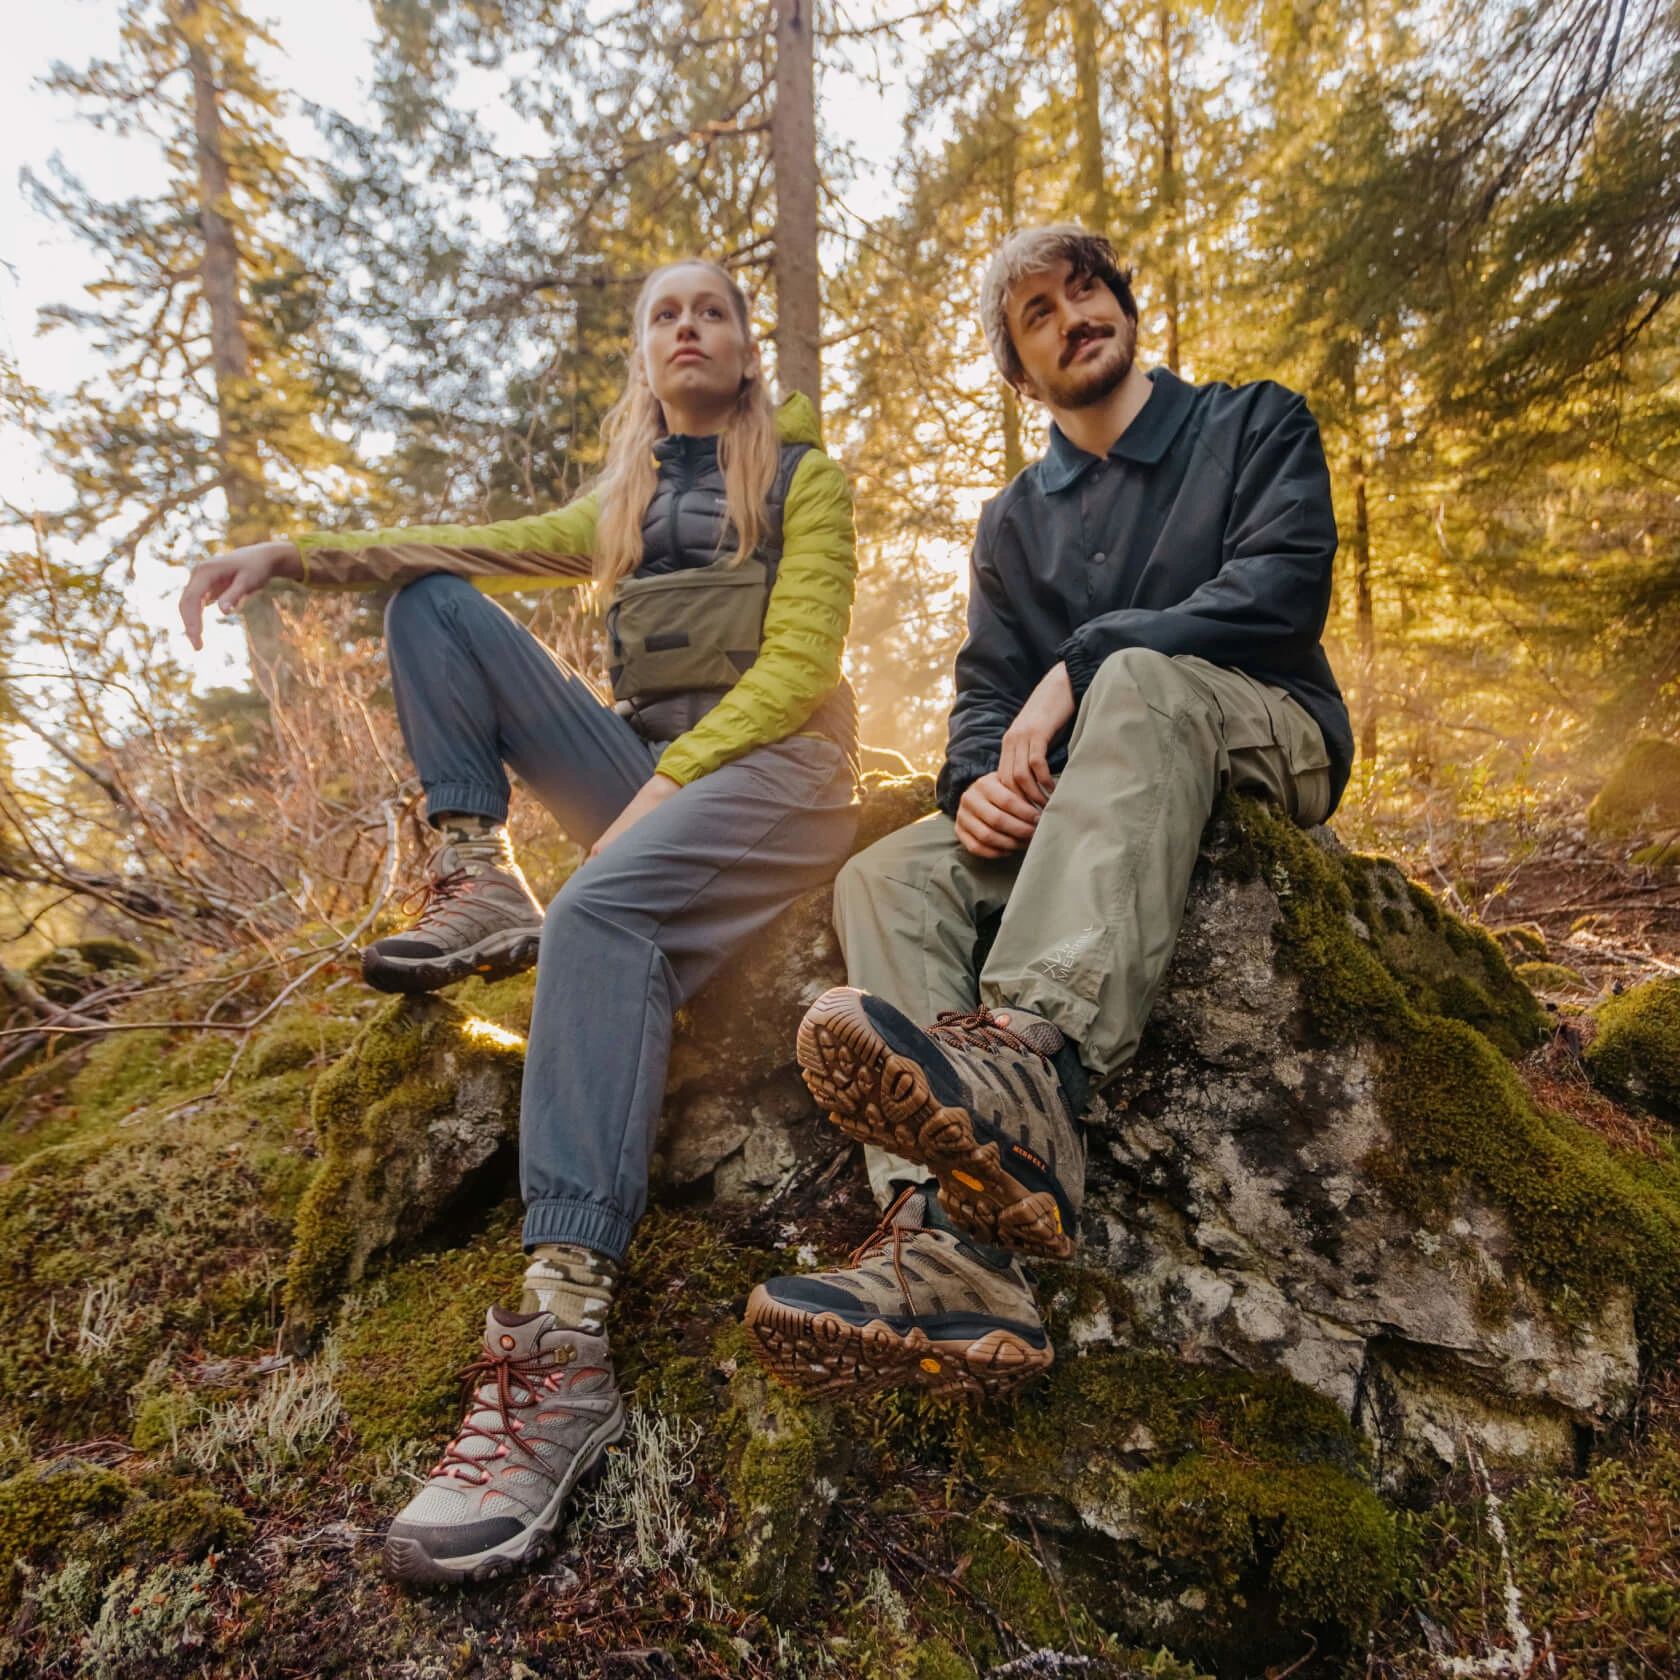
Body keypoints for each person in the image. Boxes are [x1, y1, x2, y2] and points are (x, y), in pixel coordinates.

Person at [179, 259, 861, 1584]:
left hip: (779, 770)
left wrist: (661, 794)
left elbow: (799, 666)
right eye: (663, 314)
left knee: (602, 907)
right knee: (434, 600)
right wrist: (291, 554)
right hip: (649, 771)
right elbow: (456, 547)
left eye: (710, 310)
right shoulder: (625, 499)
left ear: (744, 345)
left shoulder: (802, 478)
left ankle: (561, 1350)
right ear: (643, 357)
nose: (686, 328)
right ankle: (472, 865)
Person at [744, 225, 1353, 1403]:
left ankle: (1027, 1064)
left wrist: (1087, 660)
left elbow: (1279, 593)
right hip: (1095, 789)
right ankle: (946, 1248)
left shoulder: (1251, 423)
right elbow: (986, 687)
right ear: (1019, 374)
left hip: (1265, 729)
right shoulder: (1016, 519)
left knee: (1133, 681)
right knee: (887, 877)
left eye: (1089, 291)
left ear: (1126, 309)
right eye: (1038, 312)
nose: (1076, 314)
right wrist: (975, 785)